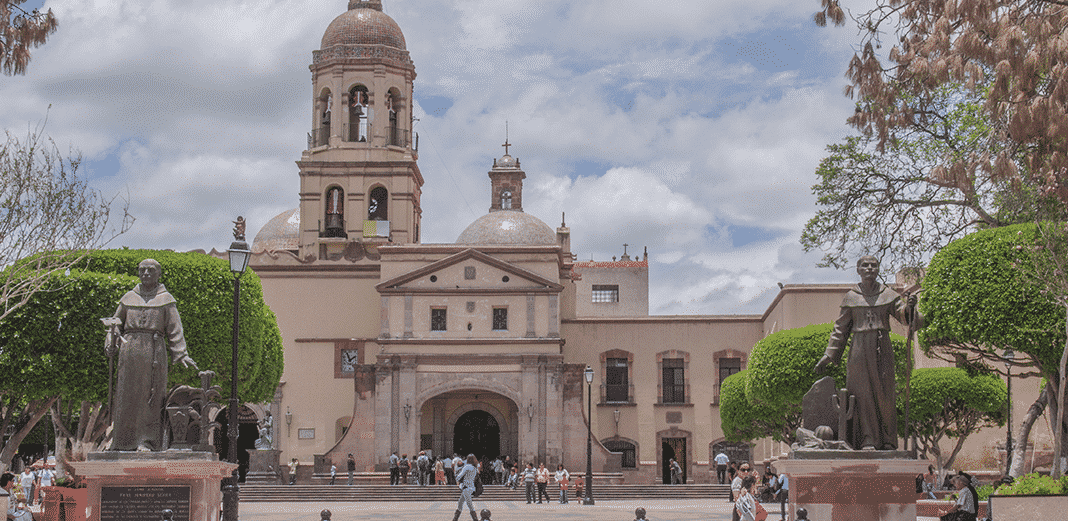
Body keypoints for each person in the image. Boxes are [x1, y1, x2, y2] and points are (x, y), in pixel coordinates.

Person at [815, 255, 923, 450]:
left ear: (878, 269)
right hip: (858, 349)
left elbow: (905, 317)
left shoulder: (888, 294)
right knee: (861, 395)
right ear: (858, 269)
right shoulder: (850, 297)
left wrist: (910, 308)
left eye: (874, 265)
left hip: (883, 347)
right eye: (865, 265)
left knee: (885, 395)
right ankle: (868, 439)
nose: (870, 268)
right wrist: (829, 354)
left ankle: (888, 441)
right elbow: (840, 329)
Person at [107, 259, 199, 452]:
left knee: (151, 397)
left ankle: (146, 441)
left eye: (151, 270)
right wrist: (111, 340)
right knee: (126, 396)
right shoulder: (128, 298)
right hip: (129, 352)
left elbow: (175, 329)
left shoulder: (166, 299)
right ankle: (120, 441)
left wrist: (181, 354)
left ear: (158, 274)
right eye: (142, 270)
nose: (146, 273)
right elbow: (115, 324)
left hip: (153, 352)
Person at [452, 454, 480, 521]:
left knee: (470, 506)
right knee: (460, 503)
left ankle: (475, 519)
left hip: (466, 488)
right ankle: (455, 519)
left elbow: (459, 476)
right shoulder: (474, 468)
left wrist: (456, 477)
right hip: (471, 487)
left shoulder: (467, 466)